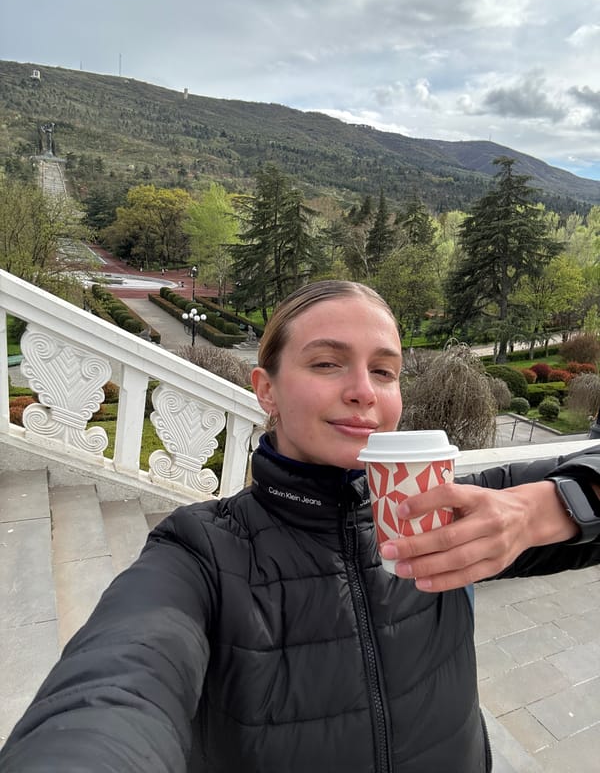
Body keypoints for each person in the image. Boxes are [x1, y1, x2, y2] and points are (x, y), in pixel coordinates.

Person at [2, 280, 600, 773]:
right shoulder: (200, 554)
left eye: (385, 372)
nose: (364, 391)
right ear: (266, 390)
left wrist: (539, 511)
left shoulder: (452, 511)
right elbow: (112, 690)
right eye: (326, 363)